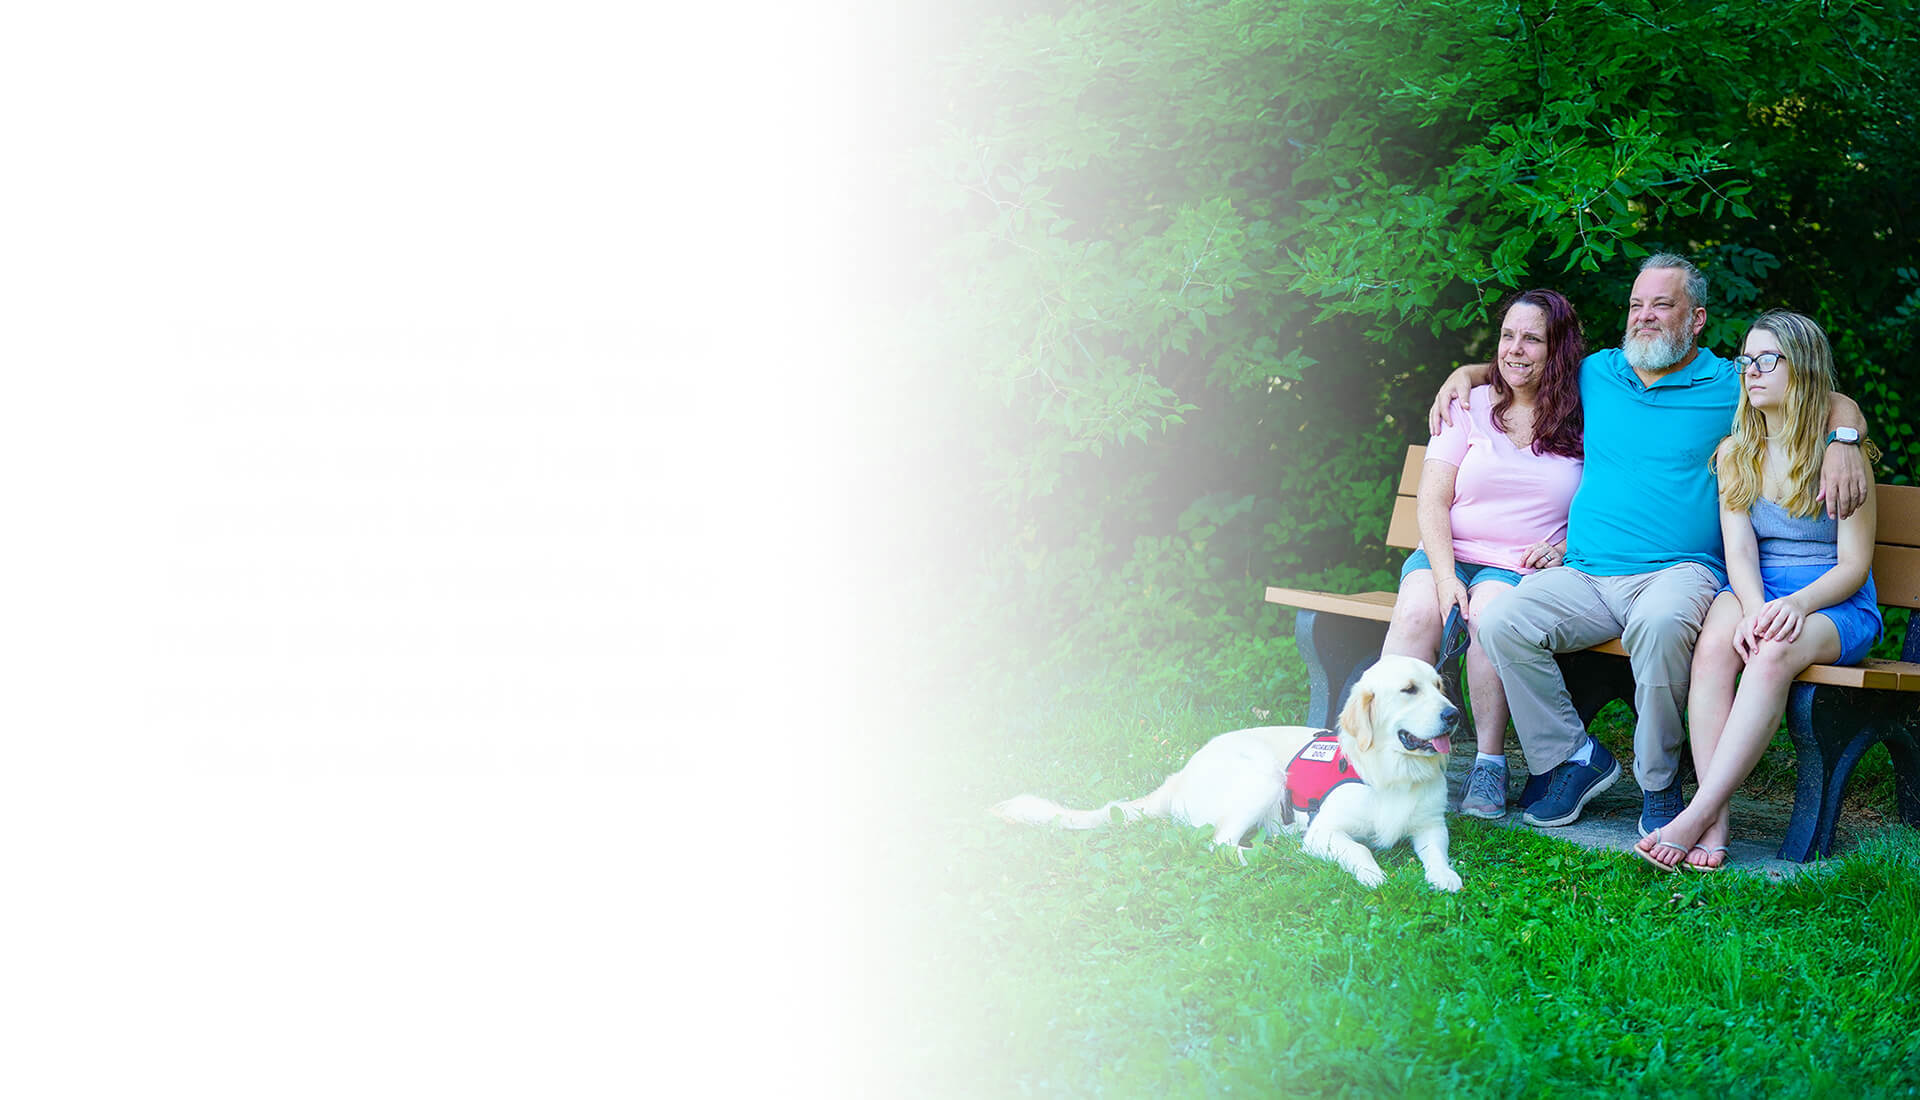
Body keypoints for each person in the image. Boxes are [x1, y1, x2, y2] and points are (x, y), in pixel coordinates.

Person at [1426, 253, 1873, 833]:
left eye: (1662, 305)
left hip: (1679, 573)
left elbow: (1816, 392)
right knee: (1502, 621)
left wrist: (1843, 435)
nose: (1645, 316)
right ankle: (1570, 758)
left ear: (1697, 319)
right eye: (1637, 305)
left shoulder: (1727, 382)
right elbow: (1518, 368)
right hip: (1584, 571)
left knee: (1660, 627)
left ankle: (1659, 782)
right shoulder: (1596, 373)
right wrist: (1464, 373)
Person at [1634, 311, 1881, 870]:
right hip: (1758, 589)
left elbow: (1854, 565)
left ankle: (1696, 812)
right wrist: (1751, 607)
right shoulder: (1736, 451)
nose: (1752, 370)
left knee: (1771, 654)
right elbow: (1740, 551)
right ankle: (1716, 824)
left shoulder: (1842, 455)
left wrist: (1794, 605)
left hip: (1831, 601)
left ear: (1805, 368)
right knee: (1716, 645)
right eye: (1747, 360)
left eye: (1768, 359)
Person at [1380, 289, 1585, 820]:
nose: (1515, 349)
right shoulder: (1466, 404)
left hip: (1516, 565)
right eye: (1507, 336)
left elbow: (1605, 498)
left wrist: (1564, 545)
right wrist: (1446, 578)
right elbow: (1433, 497)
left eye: (1532, 339)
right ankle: (1376, 746)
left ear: (1558, 349)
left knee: (1490, 619)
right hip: (1447, 551)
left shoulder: (1585, 418)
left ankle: (1489, 762)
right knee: (1418, 609)